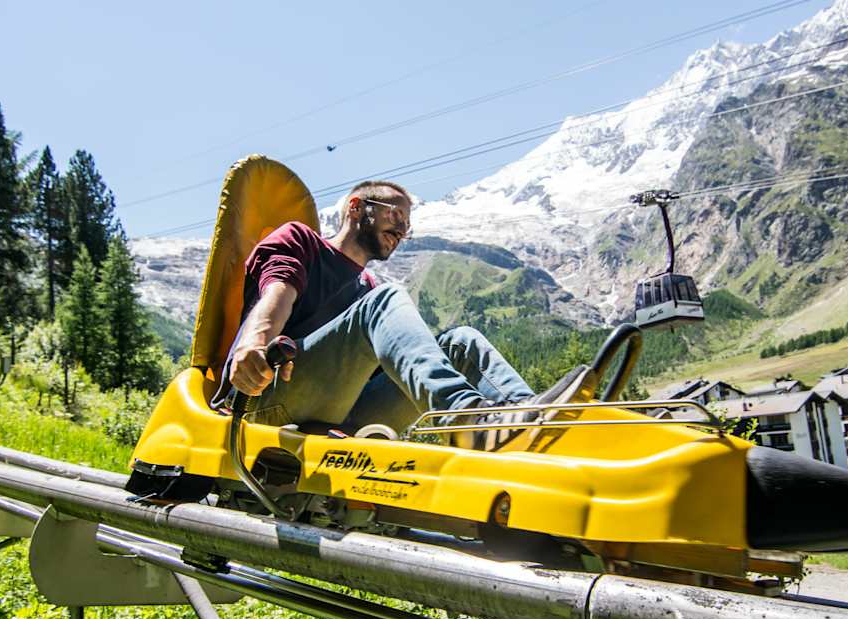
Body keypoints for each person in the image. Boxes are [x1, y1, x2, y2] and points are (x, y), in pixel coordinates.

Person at [212, 179, 595, 450]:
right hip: (264, 399)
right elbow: (277, 294)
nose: (403, 228)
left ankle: (536, 426)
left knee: (461, 342)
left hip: (343, 411)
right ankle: (464, 419)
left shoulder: (369, 286)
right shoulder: (302, 241)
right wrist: (255, 345)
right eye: (396, 215)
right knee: (385, 301)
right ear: (357, 207)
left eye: (408, 224)